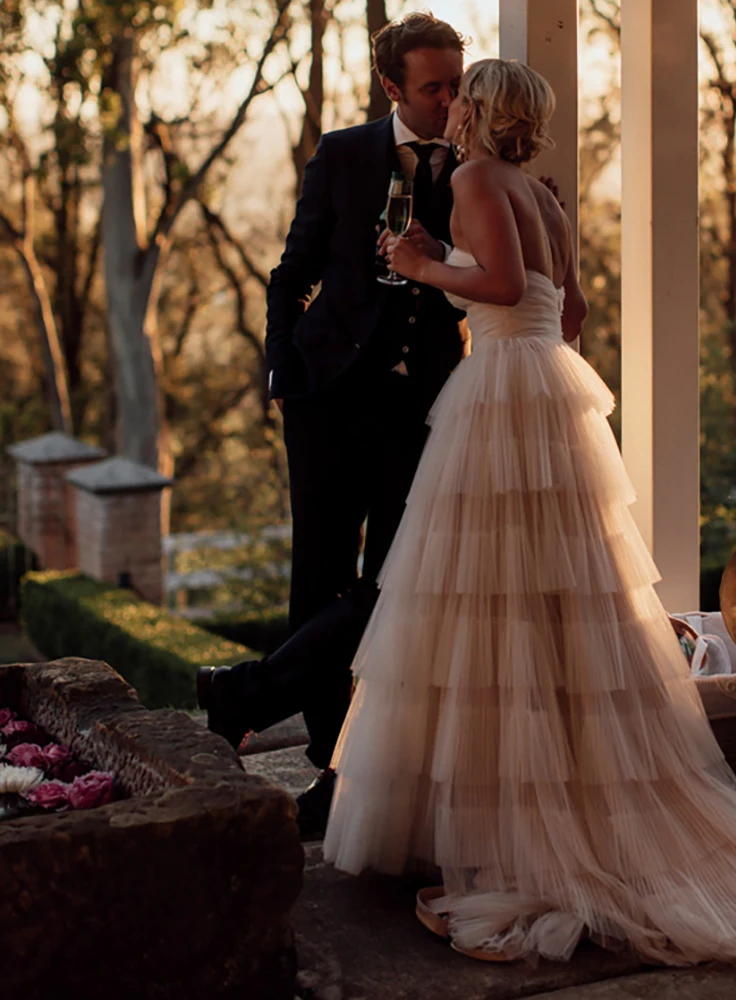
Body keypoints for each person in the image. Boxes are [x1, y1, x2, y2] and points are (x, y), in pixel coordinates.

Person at [323, 58, 736, 969]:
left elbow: (499, 289)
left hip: (503, 396)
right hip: (550, 389)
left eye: (464, 95)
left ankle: (522, 843)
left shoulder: (472, 179)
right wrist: (480, 279)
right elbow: (567, 312)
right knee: (556, 599)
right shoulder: (544, 197)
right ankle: (558, 809)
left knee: (492, 604)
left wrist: (421, 264)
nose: (452, 104)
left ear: (482, 110)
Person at [197, 13, 469, 837]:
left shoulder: (477, 161)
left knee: (389, 585)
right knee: (316, 575)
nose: (451, 100)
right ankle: (325, 766)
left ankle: (261, 700)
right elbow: (292, 272)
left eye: (458, 82)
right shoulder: (344, 153)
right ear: (393, 87)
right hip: (326, 396)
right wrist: (284, 371)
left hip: (423, 405)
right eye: (434, 87)